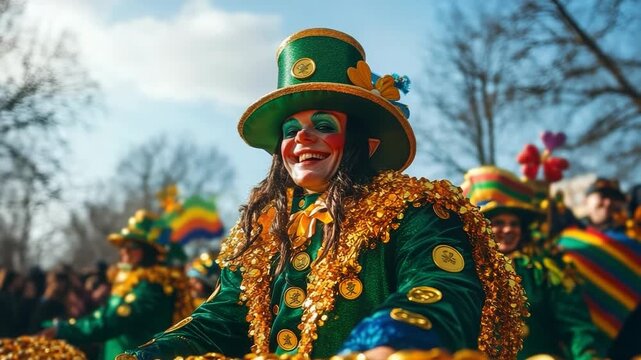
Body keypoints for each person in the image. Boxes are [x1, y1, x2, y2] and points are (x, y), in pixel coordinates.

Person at [121, 28, 526, 360]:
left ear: (363, 145)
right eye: (289, 130)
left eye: (323, 124)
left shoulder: (416, 211)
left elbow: (442, 284)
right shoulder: (261, 231)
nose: (302, 138)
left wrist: (390, 337)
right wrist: (153, 353)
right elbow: (224, 317)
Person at [463, 166, 604, 360]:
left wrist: (588, 356)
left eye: (514, 224)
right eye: (498, 223)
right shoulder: (466, 270)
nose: (508, 229)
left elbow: (575, 326)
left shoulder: (544, 270)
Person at [39, 210, 194, 360]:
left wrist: (63, 330)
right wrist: (62, 326)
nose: (124, 251)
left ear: (149, 249)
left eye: (132, 246)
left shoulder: (152, 286)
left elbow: (112, 322)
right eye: (122, 246)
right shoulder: (136, 280)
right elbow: (105, 315)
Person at [558, 178, 641, 360]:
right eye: (602, 196)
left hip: (626, 345)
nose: (608, 203)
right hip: (568, 339)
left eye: (614, 198)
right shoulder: (566, 238)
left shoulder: (635, 244)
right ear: (586, 201)